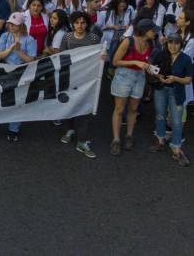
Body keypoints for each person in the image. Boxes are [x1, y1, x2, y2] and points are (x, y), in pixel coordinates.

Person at [0, 12, 37, 141]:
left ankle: (14, 128)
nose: (11, 26)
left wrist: (18, 51)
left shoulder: (29, 39)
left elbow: (31, 59)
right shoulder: (4, 36)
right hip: (5, 71)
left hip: (22, 72)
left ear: (21, 25)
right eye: (10, 23)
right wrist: (11, 49)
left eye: (14, 24)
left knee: (18, 102)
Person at [58, 11, 104, 158]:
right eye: (77, 23)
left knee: (85, 109)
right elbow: (62, 56)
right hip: (70, 79)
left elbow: (102, 56)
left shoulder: (94, 38)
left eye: (83, 23)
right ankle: (70, 129)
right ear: (72, 24)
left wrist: (104, 56)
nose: (80, 25)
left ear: (87, 24)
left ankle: (82, 141)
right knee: (69, 105)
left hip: (87, 80)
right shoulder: (67, 37)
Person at [109, 19, 158, 156]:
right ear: (144, 30)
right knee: (119, 109)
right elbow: (115, 61)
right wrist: (135, 61)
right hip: (124, 76)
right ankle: (116, 139)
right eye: (153, 30)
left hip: (140, 77)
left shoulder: (150, 43)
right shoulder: (128, 41)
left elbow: (147, 60)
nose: (155, 32)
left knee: (133, 108)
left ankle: (129, 135)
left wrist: (149, 67)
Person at [147, 32, 193, 166]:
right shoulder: (161, 55)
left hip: (176, 92)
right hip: (161, 89)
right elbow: (152, 68)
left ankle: (177, 148)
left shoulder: (186, 59)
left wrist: (175, 78)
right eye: (170, 42)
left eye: (176, 43)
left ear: (181, 44)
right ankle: (160, 141)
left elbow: (188, 80)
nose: (173, 46)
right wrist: (159, 76)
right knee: (160, 115)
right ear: (166, 43)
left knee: (177, 121)